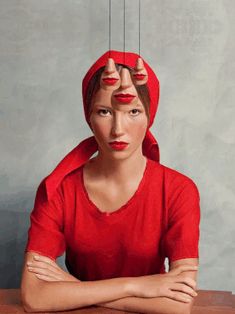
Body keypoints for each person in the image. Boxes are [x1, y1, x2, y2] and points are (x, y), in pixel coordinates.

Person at [20, 50, 200, 314]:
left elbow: (179, 304)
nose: (118, 129)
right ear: (88, 117)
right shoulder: (58, 189)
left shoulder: (179, 190)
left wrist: (73, 288)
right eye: (104, 111)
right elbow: (34, 297)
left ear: (150, 116)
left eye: (133, 111)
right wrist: (136, 287)